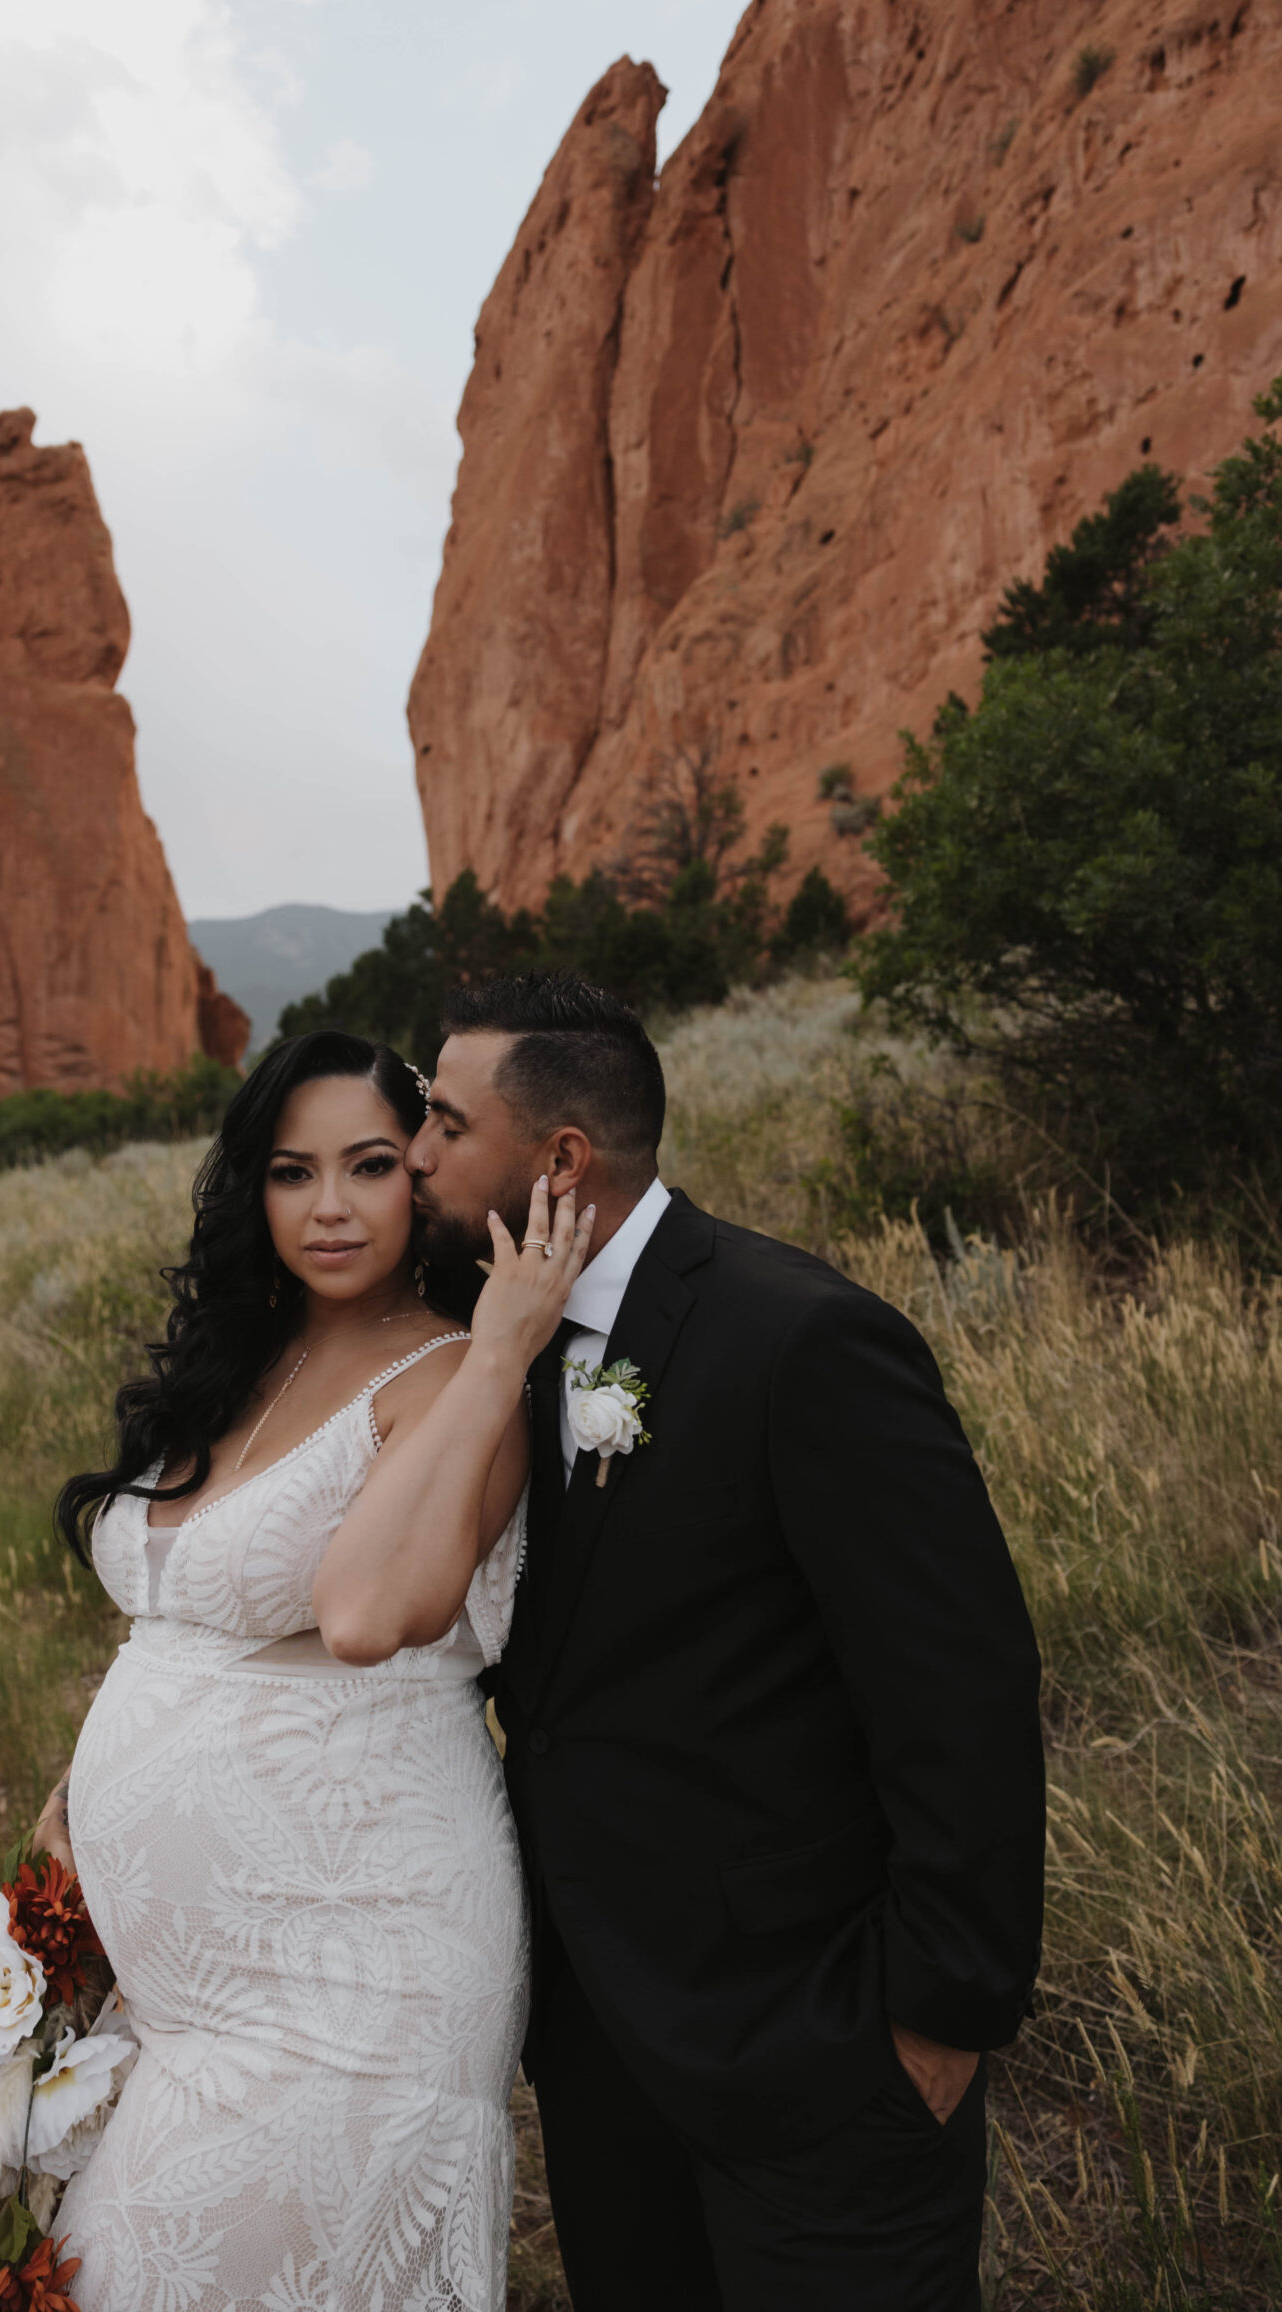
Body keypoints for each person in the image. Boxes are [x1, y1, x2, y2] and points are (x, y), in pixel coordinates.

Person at [405, 972, 1045, 2312]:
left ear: (558, 1157)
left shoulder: (798, 1338)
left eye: (445, 1126)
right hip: (601, 2054)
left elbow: (959, 1693)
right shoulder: (499, 1341)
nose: (417, 1157)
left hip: (814, 2060)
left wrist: (931, 2024)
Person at [31, 1028, 595, 2312]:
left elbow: (364, 1611)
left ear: (426, 1178)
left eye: (371, 1165)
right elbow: (183, 1627)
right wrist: (88, 1785)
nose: (330, 1207)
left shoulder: (456, 1376)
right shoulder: (241, 1358)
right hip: (174, 1994)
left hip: (356, 1972)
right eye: (293, 1172)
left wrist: (506, 1346)